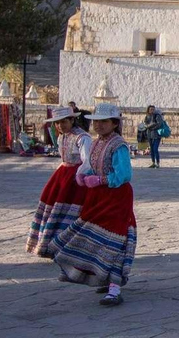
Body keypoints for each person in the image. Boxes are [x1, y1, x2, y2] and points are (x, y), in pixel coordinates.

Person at [50, 103, 136, 306]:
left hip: (116, 197)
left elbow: (124, 174)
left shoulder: (118, 145)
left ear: (114, 123)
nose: (98, 126)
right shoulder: (98, 143)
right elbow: (92, 165)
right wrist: (85, 175)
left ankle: (114, 289)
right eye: (96, 122)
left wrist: (101, 180)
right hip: (98, 197)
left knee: (114, 240)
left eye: (104, 122)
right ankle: (101, 276)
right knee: (92, 235)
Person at [26, 107, 91, 258]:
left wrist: (80, 176)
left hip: (75, 177)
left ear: (72, 120)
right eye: (57, 123)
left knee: (71, 209)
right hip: (62, 174)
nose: (60, 126)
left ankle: (69, 245)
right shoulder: (62, 137)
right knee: (54, 206)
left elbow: (86, 160)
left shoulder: (82, 137)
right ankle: (51, 242)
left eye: (64, 122)